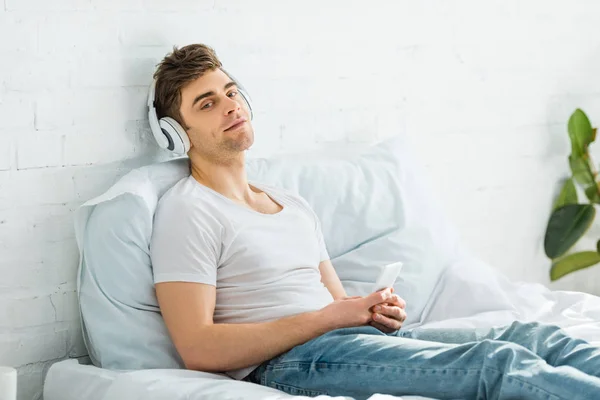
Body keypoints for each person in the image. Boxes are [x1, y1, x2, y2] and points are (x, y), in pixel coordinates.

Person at [148, 44, 600, 400]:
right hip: (292, 363)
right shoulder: (189, 211)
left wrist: (370, 313)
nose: (229, 105)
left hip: (342, 344)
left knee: (532, 335)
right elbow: (199, 349)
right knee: (496, 365)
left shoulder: (291, 204)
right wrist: (329, 318)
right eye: (206, 104)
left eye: (230, 92)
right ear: (175, 134)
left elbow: (338, 307)